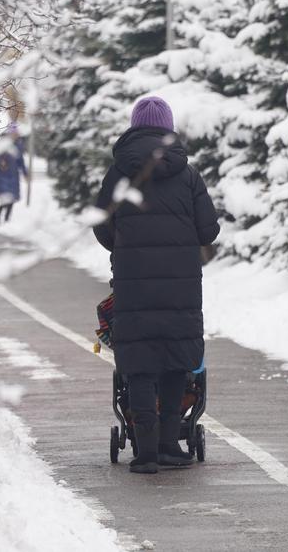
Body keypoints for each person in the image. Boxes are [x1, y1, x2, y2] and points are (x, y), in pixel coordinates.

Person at [93, 96, 220, 475]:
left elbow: (102, 224)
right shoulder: (187, 173)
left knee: (141, 365)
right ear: (169, 128)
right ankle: (168, 445)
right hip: (181, 285)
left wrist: (125, 247)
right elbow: (209, 229)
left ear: (134, 127)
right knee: (175, 362)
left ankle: (145, 452)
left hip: (133, 284)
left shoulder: (118, 172)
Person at [0, 124, 28, 224]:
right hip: (3, 175)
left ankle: (7, 219)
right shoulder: (3, 144)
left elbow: (21, 160)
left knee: (12, 198)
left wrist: (25, 173)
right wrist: (0, 162)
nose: (15, 135)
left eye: (16, 133)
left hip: (14, 175)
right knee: (5, 197)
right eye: (13, 133)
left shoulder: (19, 145)